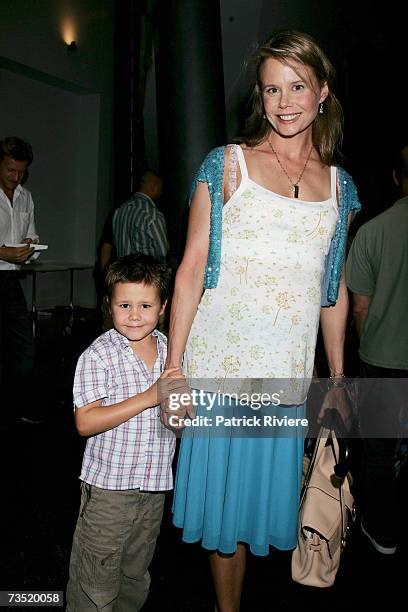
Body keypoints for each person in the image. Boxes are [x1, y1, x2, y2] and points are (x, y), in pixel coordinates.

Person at [161, 30, 361, 610]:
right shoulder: (227, 166)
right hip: (221, 373)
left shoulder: (340, 188)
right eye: (272, 88)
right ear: (260, 96)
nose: (284, 101)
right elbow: (191, 268)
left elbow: (333, 289)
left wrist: (340, 377)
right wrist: (174, 367)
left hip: (284, 381)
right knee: (225, 517)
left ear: (321, 92)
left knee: (253, 511)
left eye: (297, 86)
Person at [66, 254, 180, 611]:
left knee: (134, 575)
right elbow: (85, 421)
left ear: (163, 307)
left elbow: (177, 419)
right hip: (109, 492)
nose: (134, 315)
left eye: (145, 305)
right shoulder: (99, 356)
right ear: (110, 306)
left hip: (154, 488)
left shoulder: (170, 353)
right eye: (125, 305)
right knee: (95, 582)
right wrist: (148, 398)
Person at [346, 145, 408, 555]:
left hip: (383, 358)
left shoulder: (372, 231)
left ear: (396, 177)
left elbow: (360, 307)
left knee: (380, 450)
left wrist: (368, 348)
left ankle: (382, 531)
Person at [0, 136, 38, 424]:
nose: (16, 177)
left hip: (10, 282)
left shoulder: (26, 197)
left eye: (21, 171)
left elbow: (33, 236)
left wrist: (29, 247)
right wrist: (4, 252)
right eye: (11, 170)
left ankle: (16, 409)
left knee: (24, 350)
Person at [113, 169, 168, 263]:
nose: (161, 192)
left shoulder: (120, 211)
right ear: (153, 187)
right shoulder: (152, 214)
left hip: (123, 275)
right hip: (145, 275)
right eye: (160, 187)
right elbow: (163, 252)